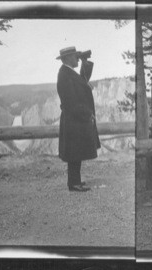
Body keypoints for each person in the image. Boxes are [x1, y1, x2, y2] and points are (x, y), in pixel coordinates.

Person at [56, 46, 100, 192]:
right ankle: (73, 183)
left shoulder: (68, 72)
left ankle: (75, 181)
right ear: (68, 58)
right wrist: (87, 113)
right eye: (75, 56)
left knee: (76, 151)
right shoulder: (65, 74)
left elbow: (84, 80)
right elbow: (71, 102)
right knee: (74, 152)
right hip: (73, 118)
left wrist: (84, 61)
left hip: (74, 118)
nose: (77, 58)